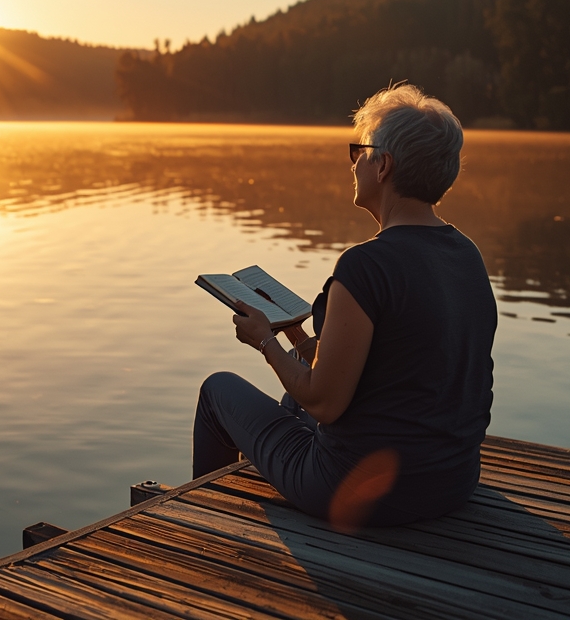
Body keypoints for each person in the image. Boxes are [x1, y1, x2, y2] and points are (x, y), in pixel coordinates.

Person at [192, 83, 496, 527]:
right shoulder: (466, 254)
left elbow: (325, 403)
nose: (354, 163)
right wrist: (298, 339)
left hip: (360, 491)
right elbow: (403, 369)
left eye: (361, 151)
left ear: (384, 165)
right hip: (451, 481)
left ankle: (200, 522)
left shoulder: (365, 265)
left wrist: (265, 341)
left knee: (218, 390)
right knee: (291, 402)